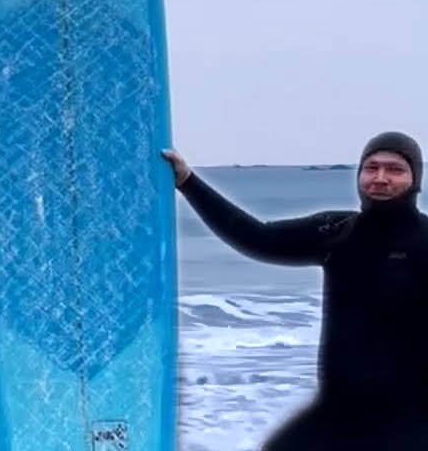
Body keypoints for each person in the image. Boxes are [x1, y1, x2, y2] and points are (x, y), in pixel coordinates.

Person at [162, 131, 428, 449]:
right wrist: (188, 182)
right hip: (336, 416)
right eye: (371, 168)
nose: (380, 178)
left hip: (410, 421)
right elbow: (256, 237)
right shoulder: (335, 233)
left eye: (395, 170)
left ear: (415, 180)